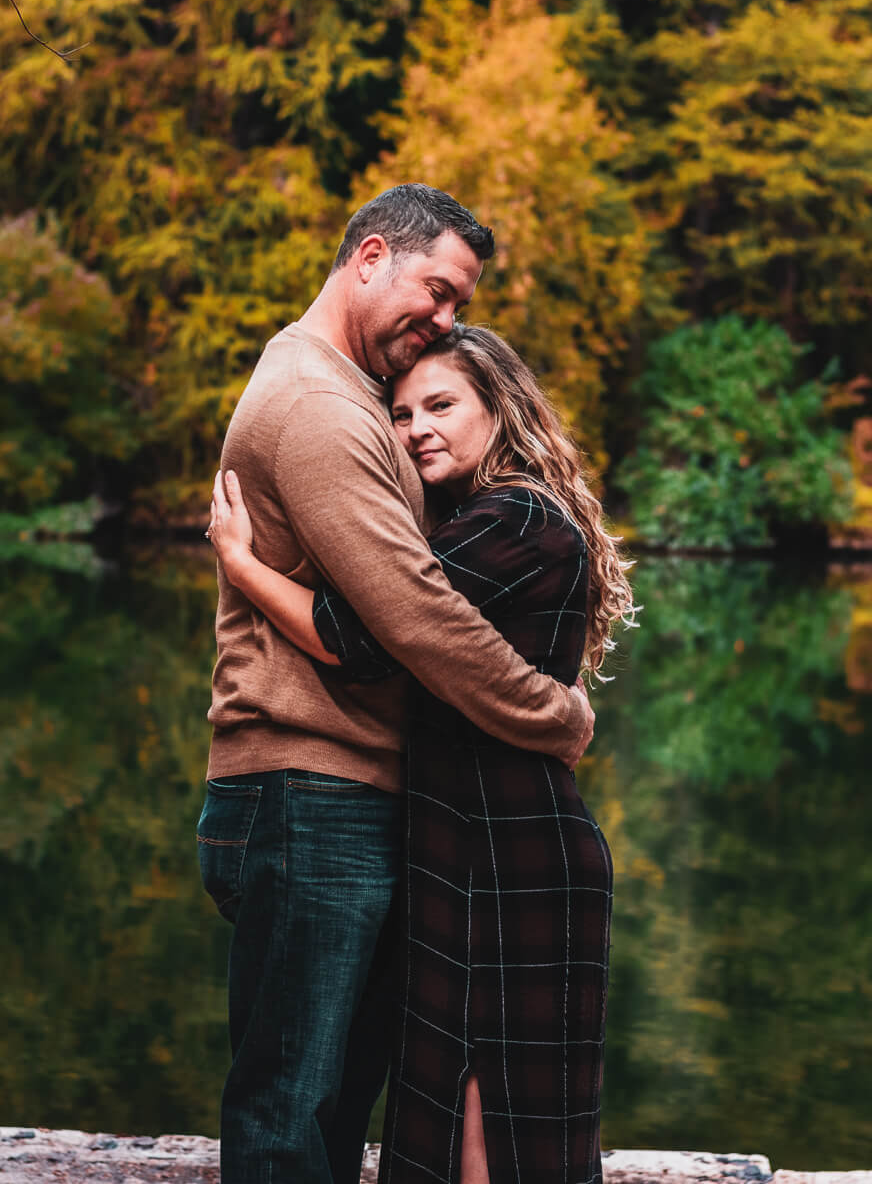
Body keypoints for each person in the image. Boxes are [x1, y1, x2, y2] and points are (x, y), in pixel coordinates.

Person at [197, 185, 597, 1184]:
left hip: (356, 795)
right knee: (291, 1110)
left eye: (458, 304)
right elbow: (407, 620)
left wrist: (249, 571)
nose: (446, 316)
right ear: (369, 257)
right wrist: (554, 714)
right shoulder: (320, 406)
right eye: (437, 288)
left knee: (331, 1113)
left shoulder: (348, 393)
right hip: (305, 789)